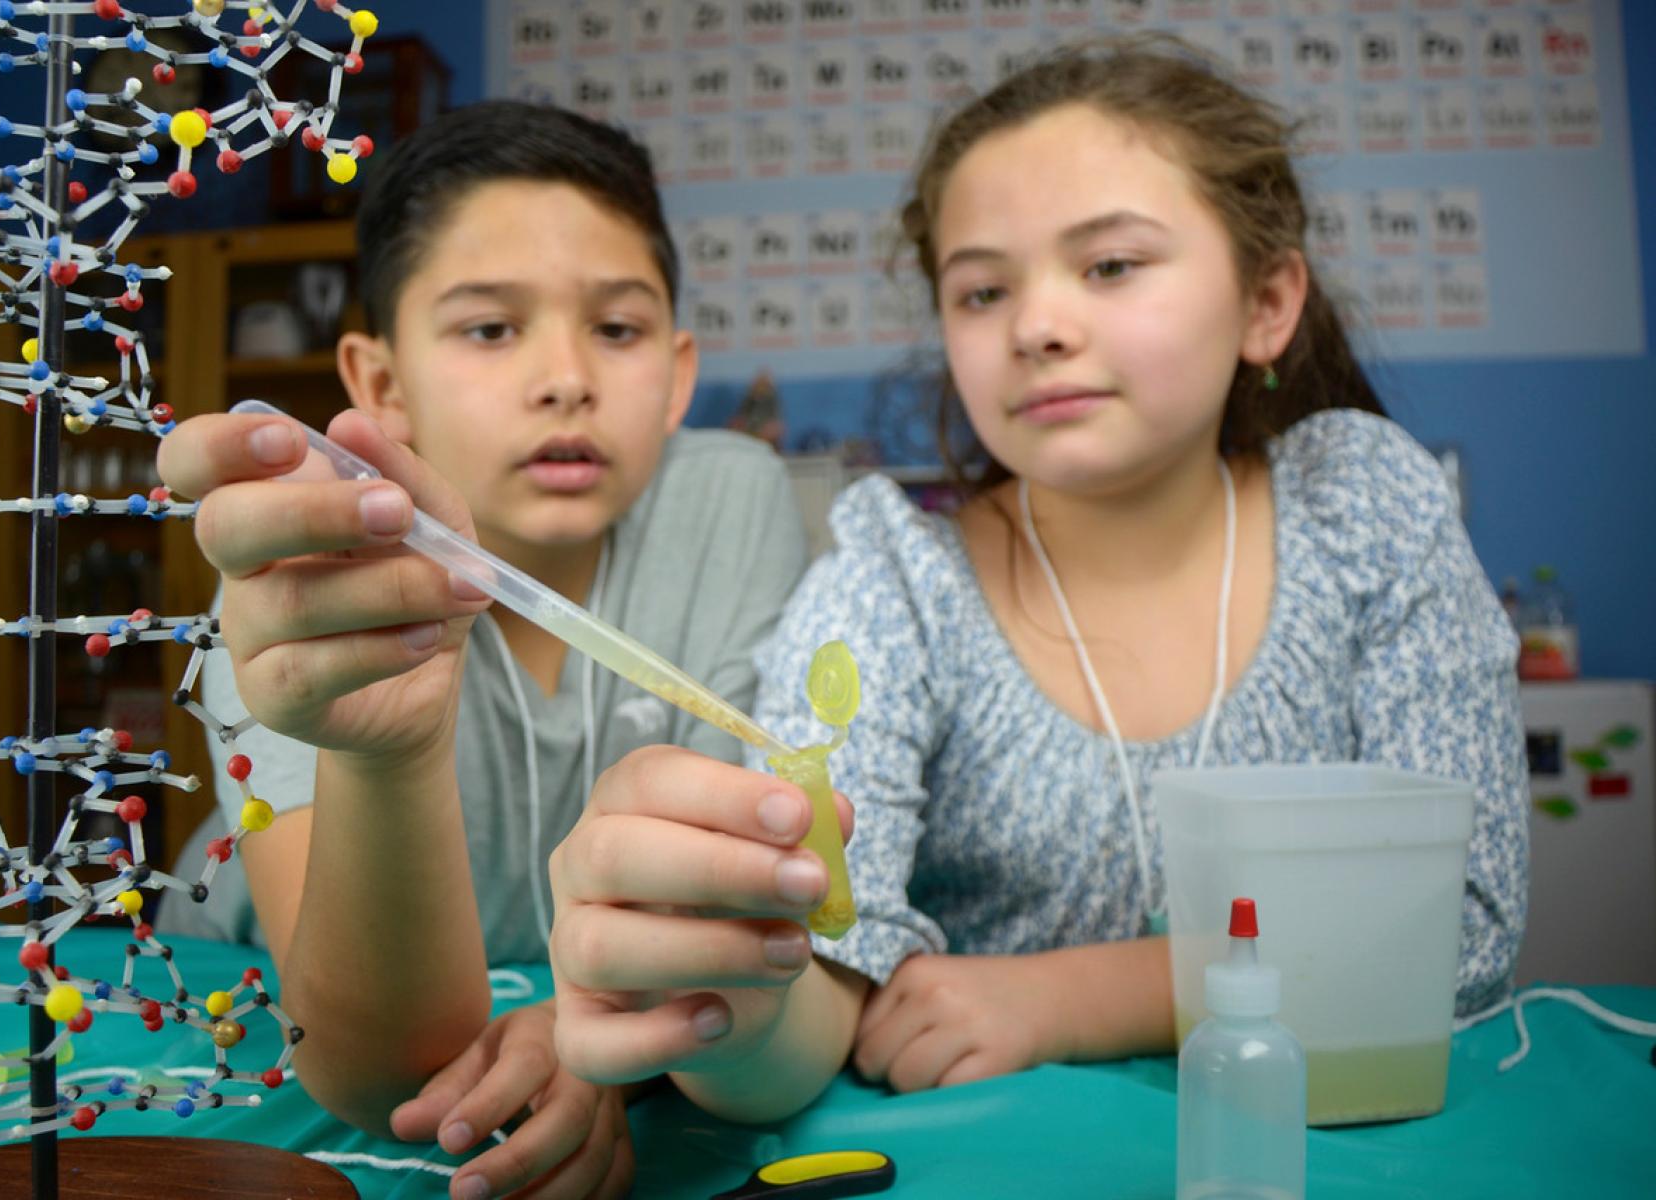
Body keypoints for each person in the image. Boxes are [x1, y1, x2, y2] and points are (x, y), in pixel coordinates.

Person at [543, 36, 1529, 1123]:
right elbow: (820, 988)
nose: (1038, 327)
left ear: (1267, 301)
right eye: (980, 291)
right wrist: (728, 1005)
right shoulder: (894, 585)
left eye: (1110, 266)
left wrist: (1071, 998)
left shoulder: (1365, 505)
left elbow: (1464, 930)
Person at [155, 101, 809, 1196]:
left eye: (618, 327)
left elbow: (741, 910)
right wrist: (384, 753)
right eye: (490, 329)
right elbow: (377, 1070)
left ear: (681, 372)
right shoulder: (307, 584)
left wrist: (589, 1028)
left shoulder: (733, 501)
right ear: (378, 382)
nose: (565, 376)